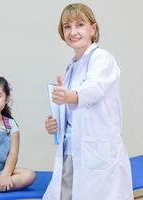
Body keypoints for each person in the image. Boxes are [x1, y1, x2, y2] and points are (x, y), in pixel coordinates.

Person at [43, 3, 133, 200]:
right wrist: (55, 125)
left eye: (79, 25)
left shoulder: (102, 59)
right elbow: (72, 115)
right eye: (67, 26)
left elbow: (94, 88)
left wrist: (68, 96)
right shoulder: (71, 68)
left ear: (93, 29)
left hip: (97, 151)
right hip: (71, 149)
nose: (73, 31)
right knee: (66, 194)